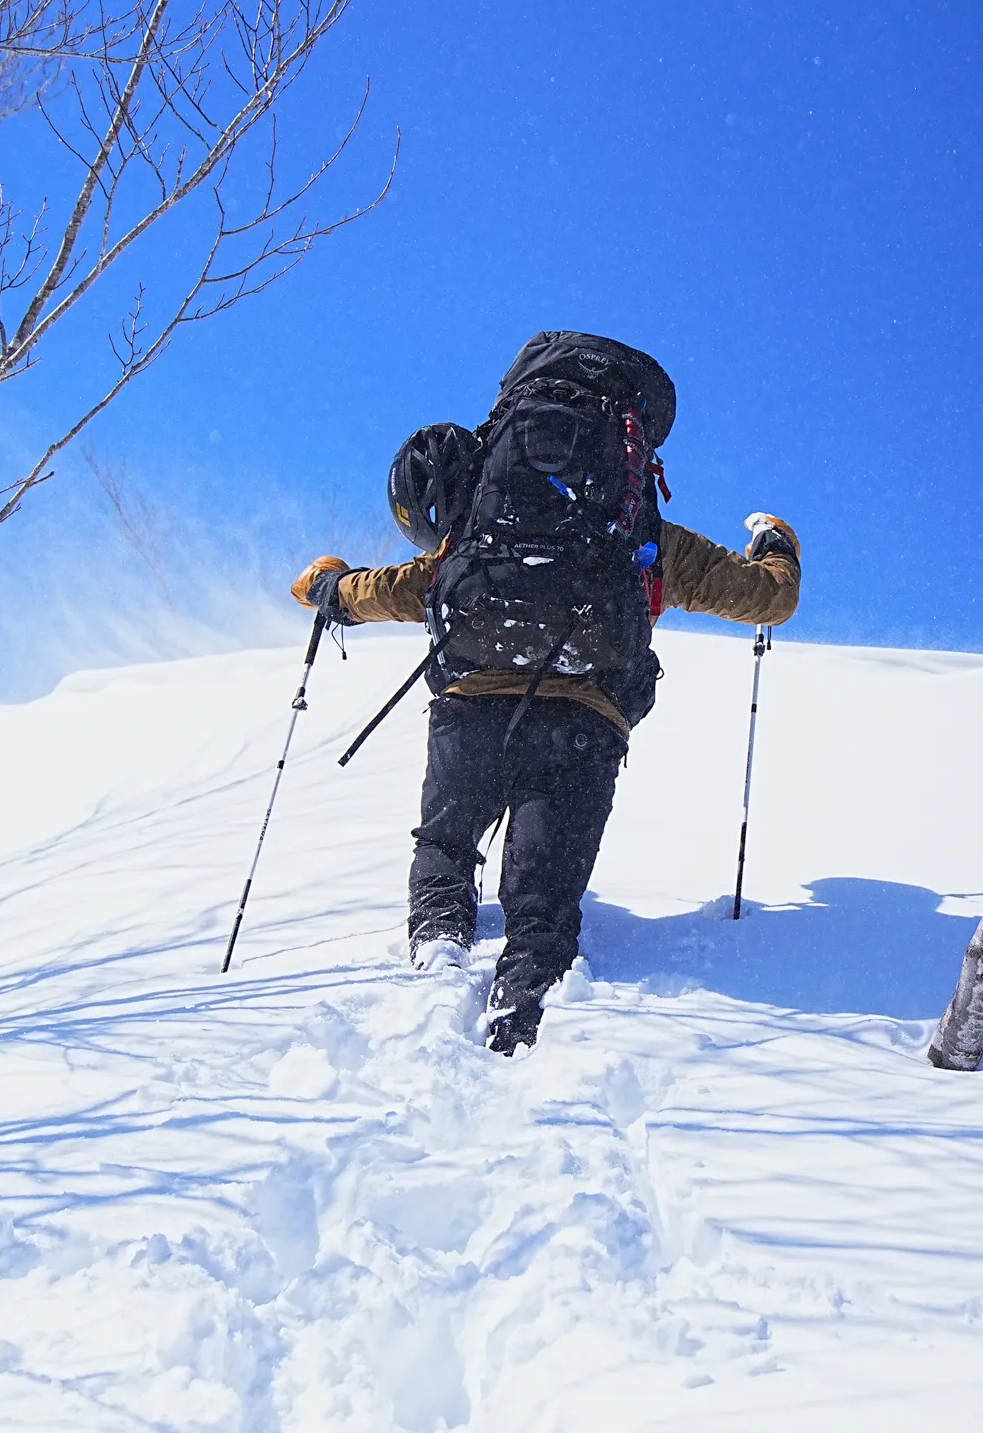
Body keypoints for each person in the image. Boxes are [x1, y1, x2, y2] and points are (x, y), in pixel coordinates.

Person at [291, 330, 799, 1053]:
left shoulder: (480, 516)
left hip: (468, 704)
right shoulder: (639, 526)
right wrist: (778, 548)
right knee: (543, 901)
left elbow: (408, 590)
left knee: (445, 844)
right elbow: (767, 601)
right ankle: (524, 997)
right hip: (584, 719)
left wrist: (330, 589)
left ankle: (437, 959)